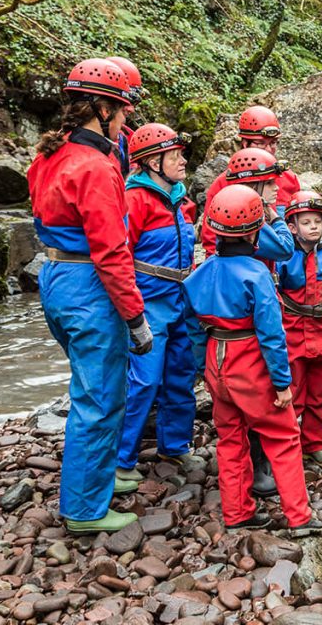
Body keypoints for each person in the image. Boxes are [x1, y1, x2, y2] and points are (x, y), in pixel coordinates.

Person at [28, 58, 154, 534]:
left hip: (56, 279)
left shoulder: (48, 157)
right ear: (101, 109)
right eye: (121, 112)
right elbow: (111, 252)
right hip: (89, 288)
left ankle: (97, 478)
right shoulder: (96, 168)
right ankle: (84, 508)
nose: (126, 122)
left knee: (92, 387)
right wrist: (136, 318)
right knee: (100, 398)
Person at [182, 184, 322, 537]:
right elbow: (272, 336)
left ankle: (237, 512)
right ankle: (300, 517)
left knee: (230, 438)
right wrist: (282, 383)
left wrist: (204, 369)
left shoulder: (199, 273)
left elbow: (194, 330)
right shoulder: (257, 274)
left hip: (217, 360)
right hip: (250, 360)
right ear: (254, 230)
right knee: (283, 434)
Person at [236, 104, 322, 434]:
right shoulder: (230, 181)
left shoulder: (286, 177)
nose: (272, 148)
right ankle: (269, 420)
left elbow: (302, 211)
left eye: (274, 142)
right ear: (246, 144)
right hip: (255, 269)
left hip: (293, 266)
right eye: (264, 142)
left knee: (316, 354)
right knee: (271, 350)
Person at [199, 146, 295, 498]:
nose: (277, 188)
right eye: (270, 183)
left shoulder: (226, 210)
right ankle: (260, 468)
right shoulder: (251, 221)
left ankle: (240, 485)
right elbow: (284, 249)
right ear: (254, 187)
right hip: (250, 317)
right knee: (262, 390)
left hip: (225, 323)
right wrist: (278, 215)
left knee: (232, 408)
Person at [116, 123, 203, 484]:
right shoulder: (134, 200)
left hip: (181, 302)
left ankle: (175, 446)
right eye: (175, 155)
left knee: (181, 375)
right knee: (144, 382)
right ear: (153, 161)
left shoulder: (179, 199)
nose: (183, 160)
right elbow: (118, 254)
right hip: (148, 303)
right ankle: (121, 460)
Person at [276, 191, 322, 467]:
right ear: (292, 227)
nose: (314, 227)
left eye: (318, 221)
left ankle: (314, 443)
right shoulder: (282, 258)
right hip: (292, 328)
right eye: (306, 222)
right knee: (292, 390)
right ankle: (287, 443)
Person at [106, 56, 146, 177]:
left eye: (134, 102)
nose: (131, 109)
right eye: (128, 100)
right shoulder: (71, 146)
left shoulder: (125, 137)